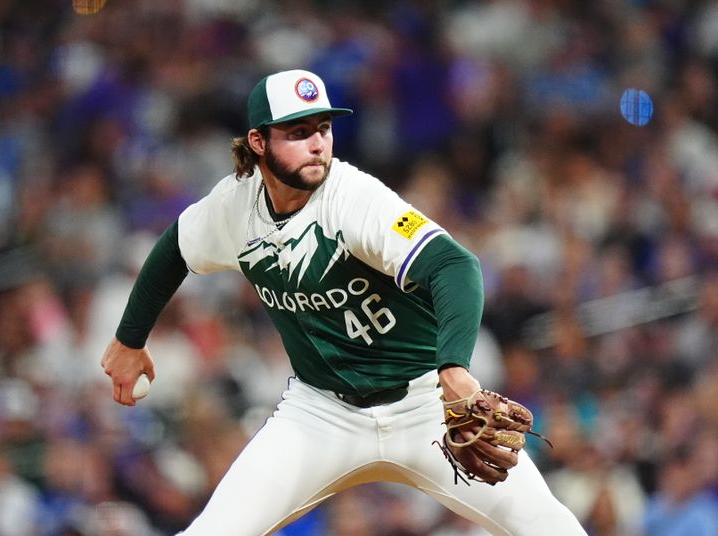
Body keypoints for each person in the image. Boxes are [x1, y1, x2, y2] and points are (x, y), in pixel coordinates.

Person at [100, 69, 585, 535]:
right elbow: (174, 249)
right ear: (258, 142)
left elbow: (456, 265)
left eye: (324, 128)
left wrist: (453, 368)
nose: (317, 143)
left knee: (550, 527)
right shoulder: (233, 207)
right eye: (298, 131)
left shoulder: (354, 197)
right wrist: (129, 339)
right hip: (320, 414)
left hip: (425, 407)